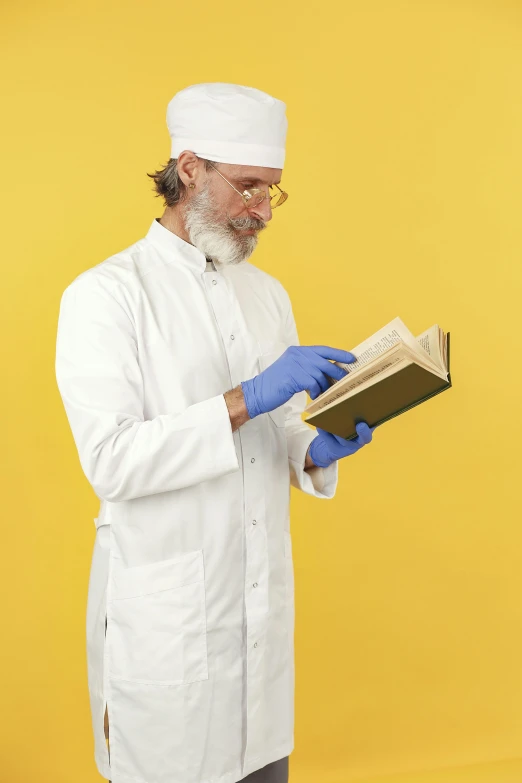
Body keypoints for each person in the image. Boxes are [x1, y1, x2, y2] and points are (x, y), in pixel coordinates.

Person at [54, 82, 375, 783]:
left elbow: (279, 428)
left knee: (262, 767)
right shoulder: (106, 295)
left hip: (257, 624)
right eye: (249, 186)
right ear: (190, 168)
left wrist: (312, 446)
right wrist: (246, 397)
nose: (262, 210)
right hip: (167, 629)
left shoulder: (266, 293)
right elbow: (112, 460)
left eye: (273, 191)